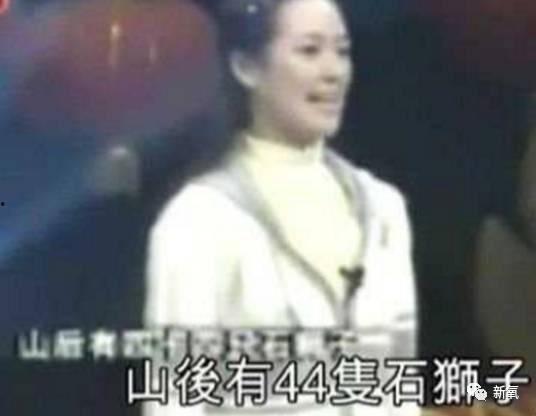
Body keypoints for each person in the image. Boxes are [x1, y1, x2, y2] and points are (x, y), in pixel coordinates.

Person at [144, 0, 417, 414]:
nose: (333, 71)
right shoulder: (199, 221)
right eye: (310, 50)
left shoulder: (383, 209)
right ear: (247, 67)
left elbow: (397, 389)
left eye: (342, 51)